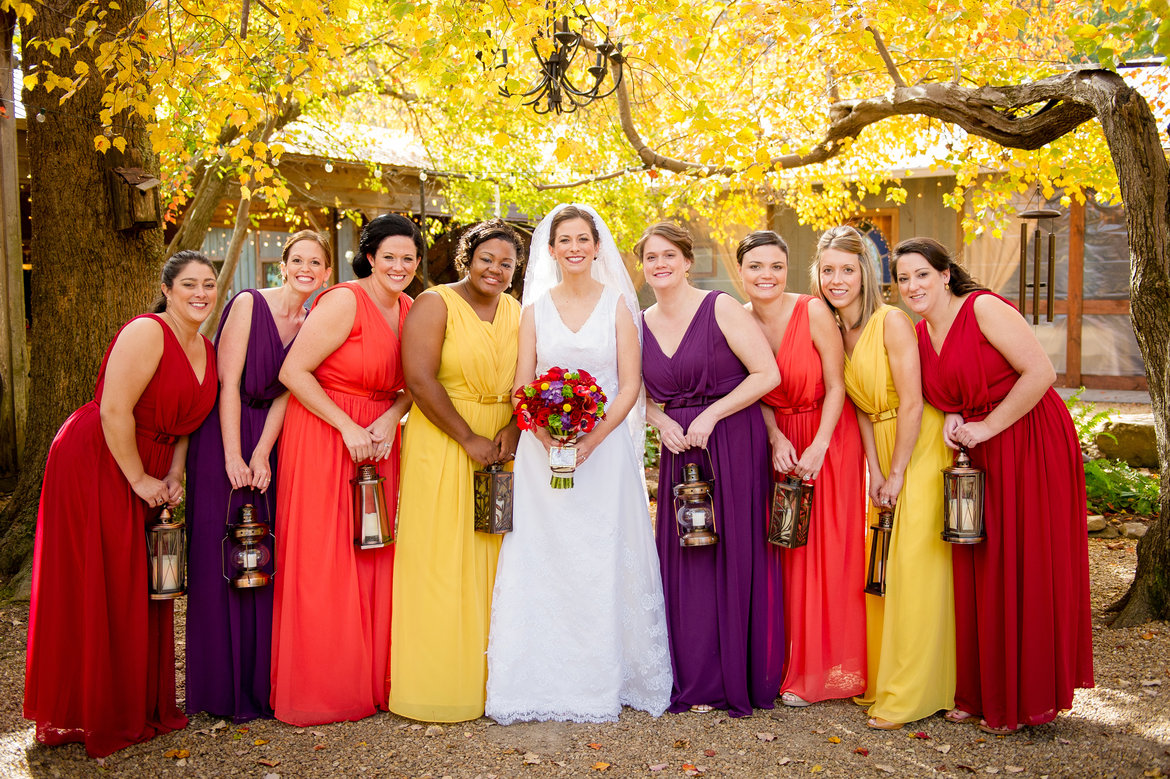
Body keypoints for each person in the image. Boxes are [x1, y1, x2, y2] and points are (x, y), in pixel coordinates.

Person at [894, 236, 1092, 735]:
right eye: (903, 278)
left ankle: (1023, 698)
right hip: (978, 453)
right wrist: (957, 412)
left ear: (944, 274)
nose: (913, 285)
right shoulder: (921, 334)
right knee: (978, 565)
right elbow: (953, 389)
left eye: (922, 274)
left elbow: (1040, 373)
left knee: (1020, 563)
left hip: (1028, 440)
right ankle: (980, 690)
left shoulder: (981, 308)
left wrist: (984, 426)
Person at [24, 252, 219, 757]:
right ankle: (87, 709)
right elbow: (114, 408)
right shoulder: (147, 331)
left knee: (139, 583)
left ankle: (137, 702)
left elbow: (186, 424)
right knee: (102, 580)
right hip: (100, 460)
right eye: (190, 284)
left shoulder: (207, 347)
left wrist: (173, 475)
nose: (201, 293)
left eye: (209, 284)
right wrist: (137, 478)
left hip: (152, 468)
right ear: (167, 288)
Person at [485, 204, 672, 724]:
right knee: (546, 553)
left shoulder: (618, 305)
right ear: (550, 250)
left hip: (603, 450)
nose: (573, 248)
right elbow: (523, 385)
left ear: (596, 246)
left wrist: (592, 441)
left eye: (582, 239)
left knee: (600, 551)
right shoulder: (533, 309)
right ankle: (535, 677)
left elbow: (631, 385)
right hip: (542, 454)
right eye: (563, 240)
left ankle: (608, 675)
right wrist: (546, 438)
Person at [269, 213, 419, 726]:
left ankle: (370, 680)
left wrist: (390, 418)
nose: (399, 266)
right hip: (324, 430)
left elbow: (414, 385)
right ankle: (323, 686)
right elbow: (293, 372)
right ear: (370, 257)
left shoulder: (411, 308)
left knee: (371, 549)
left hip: (377, 437)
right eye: (389, 256)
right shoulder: (343, 300)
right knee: (323, 553)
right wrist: (346, 427)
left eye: (408, 258)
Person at [811, 226, 955, 730]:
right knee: (882, 569)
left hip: (919, 445)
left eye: (848, 269)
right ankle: (883, 675)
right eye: (828, 270)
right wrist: (874, 470)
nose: (837, 279)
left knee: (915, 568)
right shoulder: (833, 328)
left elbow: (912, 402)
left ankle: (914, 692)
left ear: (865, 273)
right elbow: (861, 410)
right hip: (882, 447)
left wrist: (896, 471)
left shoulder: (890, 320)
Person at [185, 230, 332, 722]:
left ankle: (261, 685)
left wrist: (263, 455)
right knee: (221, 553)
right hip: (221, 436)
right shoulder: (250, 304)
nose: (306, 269)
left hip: (271, 438)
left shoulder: (313, 319)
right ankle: (218, 689)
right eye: (298, 260)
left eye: (316, 262)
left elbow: (285, 393)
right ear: (283, 265)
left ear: (327, 273)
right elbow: (227, 386)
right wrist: (233, 456)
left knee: (262, 554)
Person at [641, 221, 782, 717]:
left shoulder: (718, 307)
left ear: (687, 260)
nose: (660, 265)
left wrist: (711, 414)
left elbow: (768, 374)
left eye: (668, 256)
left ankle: (734, 676)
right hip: (680, 450)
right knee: (687, 559)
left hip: (731, 441)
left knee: (732, 555)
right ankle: (693, 677)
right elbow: (635, 397)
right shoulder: (639, 321)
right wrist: (660, 422)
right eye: (651, 258)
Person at [388, 220, 524, 722]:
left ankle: (496, 685)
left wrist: (513, 428)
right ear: (467, 258)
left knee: (495, 557)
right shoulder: (435, 303)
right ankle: (439, 685)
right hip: (445, 437)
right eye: (487, 258)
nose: (496, 269)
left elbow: (530, 378)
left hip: (501, 443)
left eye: (506, 263)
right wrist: (467, 438)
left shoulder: (517, 311)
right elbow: (419, 380)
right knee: (442, 559)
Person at [737, 230, 867, 708]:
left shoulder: (810, 310)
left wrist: (819, 446)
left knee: (829, 552)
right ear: (742, 273)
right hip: (782, 445)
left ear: (787, 270)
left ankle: (829, 671)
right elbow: (756, 389)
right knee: (788, 555)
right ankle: (787, 663)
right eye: (755, 267)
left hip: (829, 438)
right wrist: (776, 437)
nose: (766, 276)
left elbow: (837, 386)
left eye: (775, 266)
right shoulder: (741, 318)